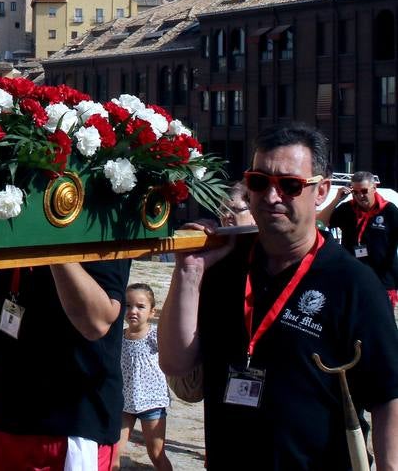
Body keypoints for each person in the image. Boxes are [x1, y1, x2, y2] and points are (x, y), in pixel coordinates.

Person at [157, 122, 398, 471]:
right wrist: (189, 272)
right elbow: (176, 363)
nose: (271, 197)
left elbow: (386, 392)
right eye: (259, 182)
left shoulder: (355, 283)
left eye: (289, 186)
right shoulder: (223, 266)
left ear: (321, 191)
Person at [0, 258, 130, 470]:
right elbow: (10, 305)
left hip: (72, 429)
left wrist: (51, 246)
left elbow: (97, 322)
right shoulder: (18, 228)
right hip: (10, 419)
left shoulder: (97, 229)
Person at [113, 284, 173, 471]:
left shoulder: (156, 335)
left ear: (152, 312)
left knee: (156, 455)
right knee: (113, 454)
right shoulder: (118, 337)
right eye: (128, 305)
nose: (133, 311)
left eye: (140, 306)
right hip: (125, 404)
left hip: (152, 403)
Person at [327, 170, 398, 305]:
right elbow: (321, 222)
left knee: (379, 321)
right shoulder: (347, 209)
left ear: (374, 188)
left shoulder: (389, 210)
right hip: (353, 275)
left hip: (382, 278)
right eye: (355, 192)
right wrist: (337, 199)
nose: (360, 196)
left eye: (364, 191)